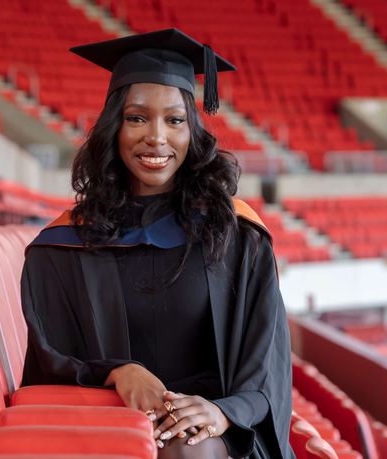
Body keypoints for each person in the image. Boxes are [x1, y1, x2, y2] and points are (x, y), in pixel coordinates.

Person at [21, 29, 295, 459]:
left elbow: (266, 369)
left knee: (188, 451)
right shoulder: (61, 248)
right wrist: (119, 374)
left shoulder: (237, 235)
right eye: (136, 118)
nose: (157, 137)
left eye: (174, 119)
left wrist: (221, 414)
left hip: (217, 433)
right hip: (109, 422)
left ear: (192, 132)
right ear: (114, 127)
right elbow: (51, 362)